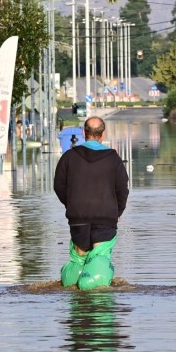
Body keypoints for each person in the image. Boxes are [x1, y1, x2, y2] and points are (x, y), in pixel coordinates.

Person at [54, 116, 129, 289]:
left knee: (79, 258)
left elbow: (59, 186)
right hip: (105, 217)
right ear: (103, 134)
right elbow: (122, 189)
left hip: (78, 218)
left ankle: (74, 285)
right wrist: (118, 211)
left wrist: (72, 205)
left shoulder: (69, 157)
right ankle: (95, 291)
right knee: (99, 257)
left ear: (83, 133)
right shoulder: (113, 158)